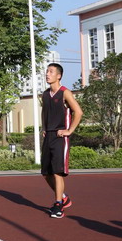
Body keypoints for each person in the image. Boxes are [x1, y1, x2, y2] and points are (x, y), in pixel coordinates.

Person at [41, 63, 82, 219]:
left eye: (51, 72)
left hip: (60, 137)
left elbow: (78, 112)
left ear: (58, 76)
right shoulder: (45, 94)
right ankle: (64, 198)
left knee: (57, 172)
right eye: (47, 71)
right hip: (49, 135)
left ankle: (58, 205)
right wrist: (44, 127)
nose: (47, 74)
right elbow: (44, 112)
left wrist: (69, 131)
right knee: (46, 173)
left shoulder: (65, 92)